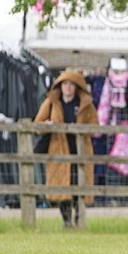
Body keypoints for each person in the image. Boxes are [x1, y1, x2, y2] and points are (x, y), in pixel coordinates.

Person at [34, 69, 99, 228]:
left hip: (80, 151)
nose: (68, 88)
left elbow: (95, 127)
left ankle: (78, 217)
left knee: (79, 186)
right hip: (59, 150)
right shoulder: (51, 102)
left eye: (72, 84)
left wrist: (81, 130)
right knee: (62, 188)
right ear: (60, 86)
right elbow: (37, 125)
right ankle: (67, 221)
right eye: (65, 84)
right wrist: (48, 125)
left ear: (77, 87)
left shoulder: (85, 104)